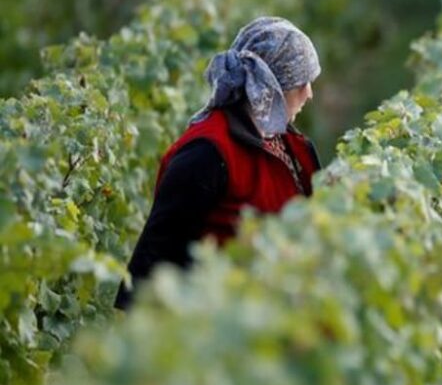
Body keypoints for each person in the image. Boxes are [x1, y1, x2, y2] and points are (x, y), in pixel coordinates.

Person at [114, 17, 321, 309]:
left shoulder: (295, 148)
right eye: (302, 81)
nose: (309, 93)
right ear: (274, 84)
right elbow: (154, 261)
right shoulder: (207, 153)